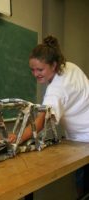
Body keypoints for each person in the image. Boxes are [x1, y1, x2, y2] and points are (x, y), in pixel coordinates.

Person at [18, 35, 89, 198]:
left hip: (84, 141)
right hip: (80, 139)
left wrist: (16, 140)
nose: (35, 74)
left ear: (54, 65)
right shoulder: (70, 66)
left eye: (40, 70)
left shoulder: (56, 90)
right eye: (32, 69)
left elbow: (40, 123)